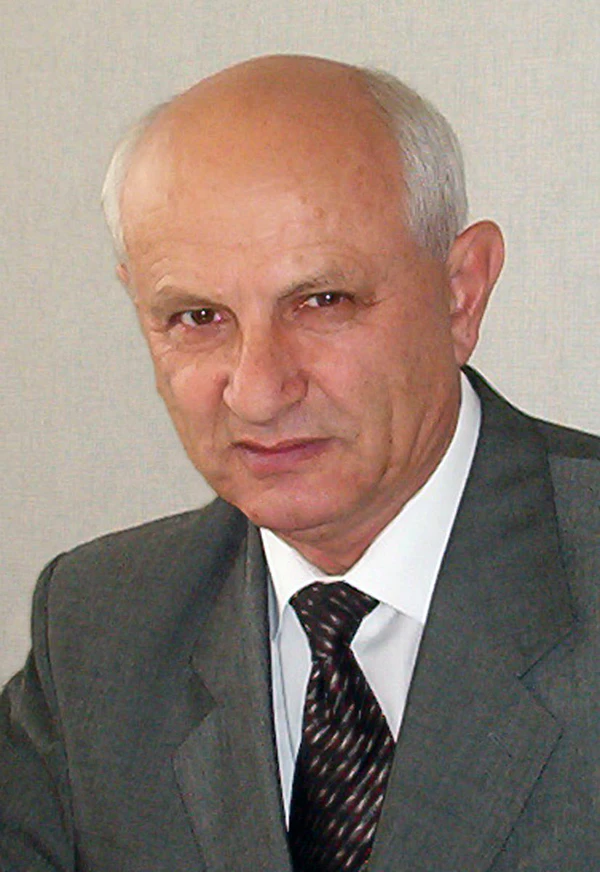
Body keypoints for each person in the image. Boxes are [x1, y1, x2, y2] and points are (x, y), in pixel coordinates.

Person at [0, 54, 598, 872]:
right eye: (197, 317)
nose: (256, 392)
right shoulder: (99, 626)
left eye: (322, 301)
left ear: (461, 293)